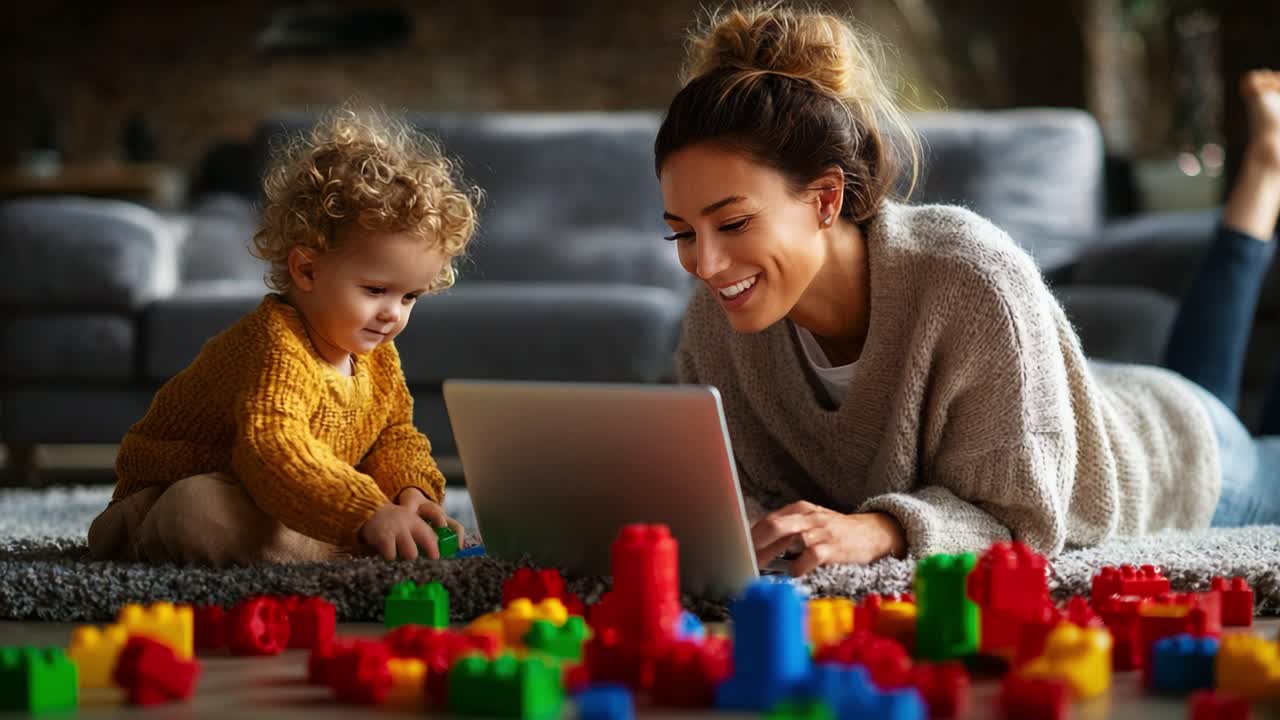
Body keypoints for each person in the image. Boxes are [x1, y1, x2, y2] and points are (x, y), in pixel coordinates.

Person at [657, 5, 1280, 575]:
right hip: (1080, 400)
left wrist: (882, 530)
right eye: (682, 233)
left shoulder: (969, 271)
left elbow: (1027, 520)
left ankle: (1261, 174)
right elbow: (736, 491)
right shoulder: (717, 320)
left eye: (733, 223)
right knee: (1204, 381)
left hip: (1176, 458)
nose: (706, 264)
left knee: (1228, 417)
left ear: (825, 199)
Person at [87, 109, 478, 566]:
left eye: (410, 296)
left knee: (317, 514)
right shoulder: (276, 345)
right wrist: (369, 510)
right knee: (198, 512)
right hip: (183, 487)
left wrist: (409, 490)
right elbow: (274, 451)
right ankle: (349, 545)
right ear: (306, 269)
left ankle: (346, 541)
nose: (393, 313)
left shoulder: (378, 357)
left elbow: (394, 434)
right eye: (375, 290)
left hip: (286, 494)